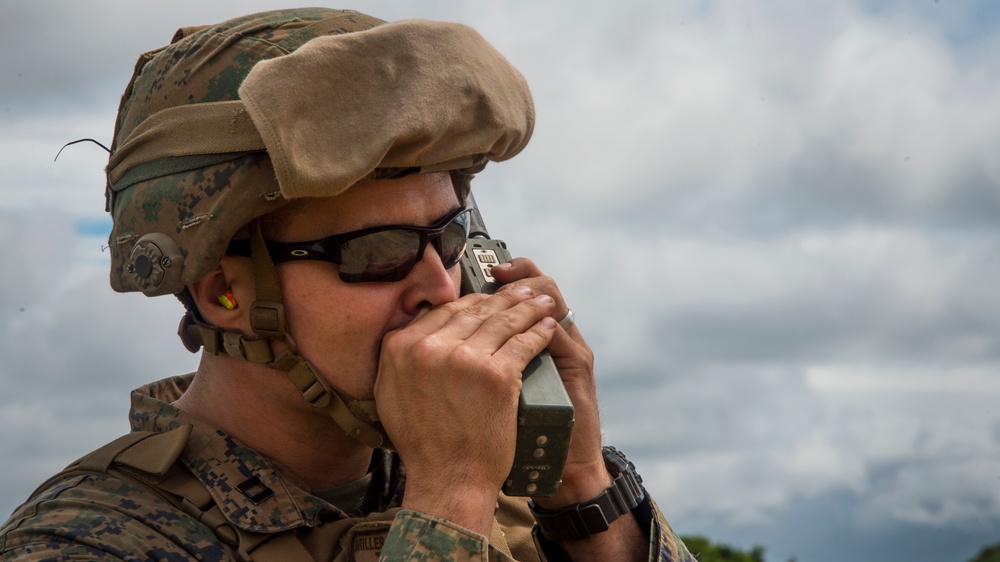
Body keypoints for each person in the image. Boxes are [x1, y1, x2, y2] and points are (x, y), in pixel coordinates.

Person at [0, 8, 694, 562]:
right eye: (379, 253)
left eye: (451, 239)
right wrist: (448, 506)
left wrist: (580, 491)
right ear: (225, 293)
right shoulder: (86, 540)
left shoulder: (504, 498)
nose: (442, 290)